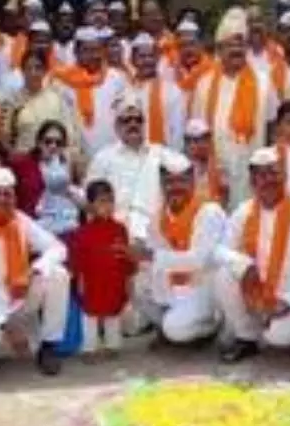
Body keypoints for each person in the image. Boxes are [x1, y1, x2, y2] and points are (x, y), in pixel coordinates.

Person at [213, 147, 290, 362]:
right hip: (260, 286)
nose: (268, 180)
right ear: (252, 181)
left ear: (284, 175)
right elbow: (220, 249)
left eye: (273, 173)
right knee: (223, 274)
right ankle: (246, 337)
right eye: (261, 174)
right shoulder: (245, 211)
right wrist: (243, 265)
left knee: (280, 339)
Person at [0, 166, 72, 374]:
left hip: (18, 297)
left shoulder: (19, 220)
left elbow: (58, 248)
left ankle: (49, 345)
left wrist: (33, 270)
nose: (2, 200)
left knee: (58, 274)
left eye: (7, 194)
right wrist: (6, 326)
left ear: (14, 197)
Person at [134, 150, 228, 345]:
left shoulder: (209, 211)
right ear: (161, 185)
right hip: (175, 287)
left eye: (181, 182)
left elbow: (197, 260)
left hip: (203, 286)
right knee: (135, 282)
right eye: (169, 182)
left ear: (192, 182)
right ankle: (176, 323)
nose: (175, 188)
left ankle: (210, 326)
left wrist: (151, 256)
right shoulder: (158, 217)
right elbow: (155, 257)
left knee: (174, 329)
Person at [191, 7, 278, 207]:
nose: (236, 50)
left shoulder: (264, 83)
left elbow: (272, 128)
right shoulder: (204, 84)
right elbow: (197, 133)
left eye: (241, 45)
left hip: (252, 170)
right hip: (214, 170)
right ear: (219, 50)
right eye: (230, 45)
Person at [70, 180, 138, 355]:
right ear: (91, 205)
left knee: (113, 312)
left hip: (114, 279)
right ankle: (89, 348)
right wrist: (80, 281)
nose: (107, 206)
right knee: (90, 314)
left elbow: (125, 256)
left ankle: (112, 345)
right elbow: (78, 261)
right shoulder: (82, 233)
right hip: (92, 281)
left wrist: (128, 278)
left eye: (110, 201)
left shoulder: (120, 229)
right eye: (102, 201)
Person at [86, 100, 165, 240]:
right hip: (113, 233)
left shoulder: (160, 155)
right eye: (126, 120)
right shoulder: (103, 158)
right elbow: (91, 201)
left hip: (152, 233)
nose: (133, 124)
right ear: (117, 126)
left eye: (138, 120)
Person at [56, 26, 129, 158]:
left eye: (96, 50)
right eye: (87, 51)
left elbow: (125, 115)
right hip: (77, 154)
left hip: (114, 150)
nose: (93, 56)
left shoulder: (116, 78)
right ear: (76, 53)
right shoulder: (64, 82)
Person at [13, 120, 82, 239]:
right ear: (39, 142)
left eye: (58, 143)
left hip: (67, 221)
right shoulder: (25, 164)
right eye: (48, 141)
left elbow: (75, 192)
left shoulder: (67, 164)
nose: (53, 146)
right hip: (39, 223)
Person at [10, 49, 79, 155]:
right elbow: (7, 138)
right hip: (24, 160)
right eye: (29, 68)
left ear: (45, 71)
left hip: (54, 160)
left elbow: (69, 132)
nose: (33, 73)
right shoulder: (13, 101)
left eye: (38, 68)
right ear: (22, 71)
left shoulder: (56, 98)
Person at [126, 32, 186, 149]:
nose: (147, 60)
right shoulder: (125, 91)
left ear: (157, 59)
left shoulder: (172, 91)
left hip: (163, 158)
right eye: (142, 56)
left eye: (151, 56)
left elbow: (178, 132)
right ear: (132, 60)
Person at [183, 117, 228, 207]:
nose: (193, 145)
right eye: (189, 140)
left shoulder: (218, 167)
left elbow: (224, 196)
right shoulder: (181, 168)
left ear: (208, 141)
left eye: (197, 140)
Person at [174, 18, 213, 94]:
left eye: (192, 44)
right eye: (183, 45)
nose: (188, 50)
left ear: (201, 45)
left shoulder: (212, 69)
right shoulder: (171, 70)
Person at [52, 1, 78, 67]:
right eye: (62, 22)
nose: (65, 25)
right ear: (56, 24)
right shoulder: (50, 46)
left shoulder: (78, 46)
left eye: (69, 22)